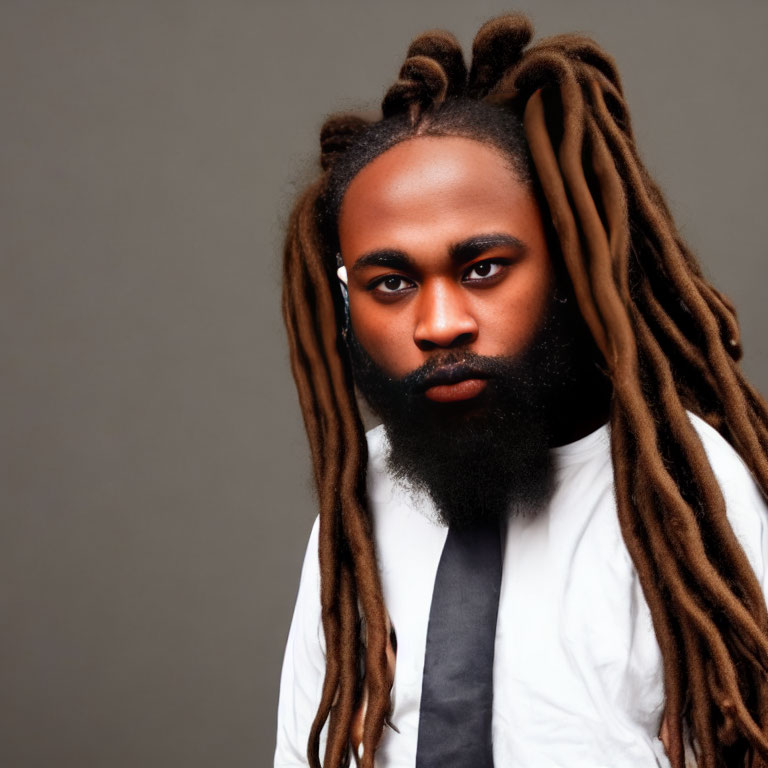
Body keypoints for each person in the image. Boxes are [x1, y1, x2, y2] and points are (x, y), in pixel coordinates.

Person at [275, 13, 768, 768]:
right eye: (392, 283)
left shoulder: (691, 496)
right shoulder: (355, 510)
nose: (439, 324)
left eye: (482, 269)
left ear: (568, 263)